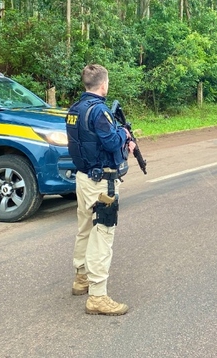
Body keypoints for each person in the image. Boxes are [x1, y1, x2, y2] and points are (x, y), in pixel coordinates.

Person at [66, 64, 136, 315]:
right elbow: (110, 141)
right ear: (104, 84)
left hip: (83, 178)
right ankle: (97, 295)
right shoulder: (100, 112)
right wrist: (125, 134)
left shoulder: (74, 109)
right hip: (102, 182)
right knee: (103, 235)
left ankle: (81, 278)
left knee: (85, 229)